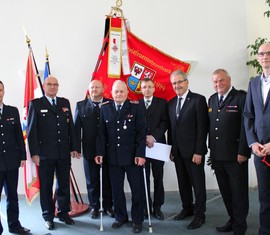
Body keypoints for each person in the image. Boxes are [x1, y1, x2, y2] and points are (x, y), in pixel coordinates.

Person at [27, 76, 78, 230]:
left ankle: (63, 213)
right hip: (44, 154)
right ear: (44, 86)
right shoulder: (35, 104)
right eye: (50, 84)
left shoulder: (64, 103)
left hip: (63, 152)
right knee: (47, 186)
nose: (53, 87)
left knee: (63, 185)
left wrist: (74, 147)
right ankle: (48, 216)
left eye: (56, 85)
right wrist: (35, 153)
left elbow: (71, 128)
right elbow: (31, 131)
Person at [95, 80, 146, 233]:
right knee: (117, 190)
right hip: (113, 158)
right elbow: (102, 134)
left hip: (132, 158)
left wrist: (140, 154)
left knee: (137, 190)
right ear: (111, 93)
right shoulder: (105, 108)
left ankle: (137, 220)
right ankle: (120, 216)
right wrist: (100, 153)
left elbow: (141, 133)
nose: (119, 94)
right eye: (116, 91)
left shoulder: (136, 108)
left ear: (127, 93)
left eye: (122, 91)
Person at [208, 69, 250, 235]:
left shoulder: (241, 98)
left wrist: (243, 152)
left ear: (229, 80)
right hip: (218, 156)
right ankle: (233, 220)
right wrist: (211, 152)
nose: (218, 84)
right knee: (226, 192)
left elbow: (245, 127)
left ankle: (240, 227)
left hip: (235, 156)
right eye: (215, 82)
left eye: (221, 80)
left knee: (238, 193)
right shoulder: (212, 100)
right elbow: (212, 128)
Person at [168, 70, 208, 230]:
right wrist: (171, 149)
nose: (177, 86)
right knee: (183, 183)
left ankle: (200, 215)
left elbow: (202, 128)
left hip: (194, 153)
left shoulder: (198, 100)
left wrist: (199, 151)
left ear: (187, 82)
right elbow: (172, 129)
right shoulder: (171, 103)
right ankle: (187, 208)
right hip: (178, 153)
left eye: (179, 82)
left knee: (198, 185)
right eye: (174, 83)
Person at [74, 80, 114, 219]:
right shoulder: (81, 105)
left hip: (109, 149)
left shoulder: (111, 104)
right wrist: (76, 148)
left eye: (97, 87)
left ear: (103, 88)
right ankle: (95, 207)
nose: (94, 89)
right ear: (88, 89)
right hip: (89, 149)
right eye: (92, 87)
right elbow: (76, 129)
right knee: (92, 181)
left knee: (108, 179)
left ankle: (108, 205)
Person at [244, 42, 270, 235]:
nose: (265, 56)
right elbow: (248, 115)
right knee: (265, 196)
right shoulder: (253, 83)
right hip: (260, 151)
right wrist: (253, 142)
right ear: (258, 57)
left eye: (268, 53)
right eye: (261, 54)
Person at [0, 81, 30, 234]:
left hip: (11, 161)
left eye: (0, 90)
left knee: (13, 196)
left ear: (4, 91)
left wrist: (22, 156)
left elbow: (19, 135)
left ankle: (14, 225)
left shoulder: (12, 111)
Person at [138, 78, 169, 220]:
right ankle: (146, 208)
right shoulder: (136, 104)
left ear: (154, 88)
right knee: (144, 179)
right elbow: (135, 125)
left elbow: (165, 122)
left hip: (157, 146)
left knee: (158, 178)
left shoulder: (162, 103)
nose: (147, 89)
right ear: (141, 89)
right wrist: (145, 137)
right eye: (144, 87)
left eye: (150, 87)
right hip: (142, 146)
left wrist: (154, 137)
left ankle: (157, 207)